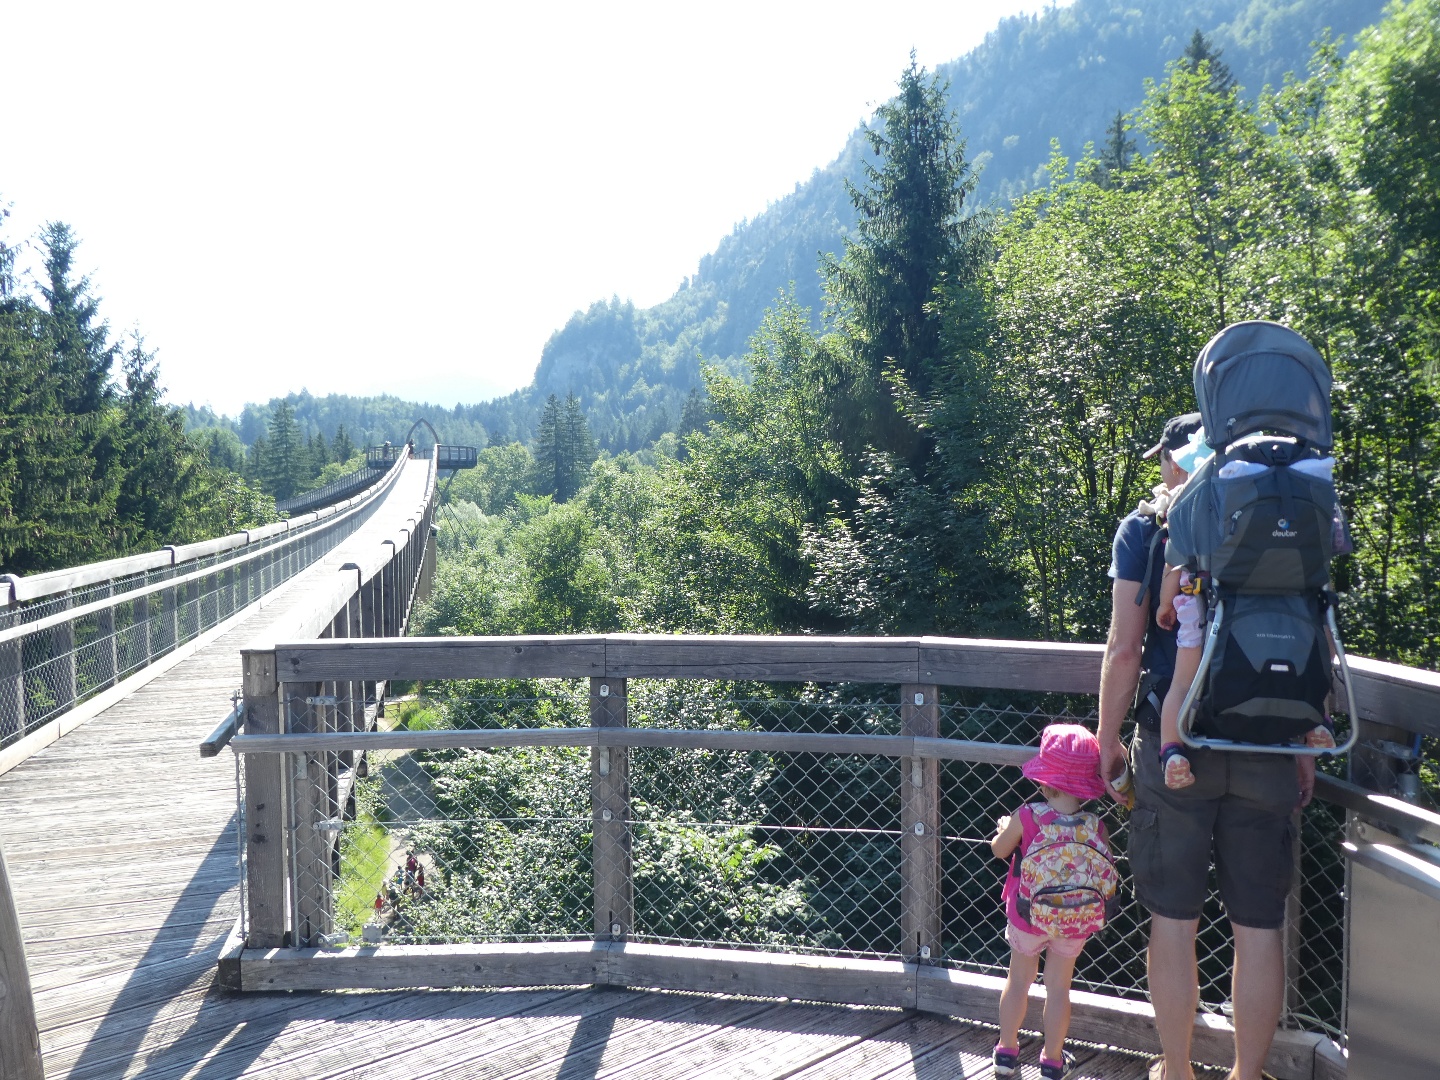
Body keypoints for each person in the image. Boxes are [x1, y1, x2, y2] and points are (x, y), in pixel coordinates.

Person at [1097, 416, 1316, 1080]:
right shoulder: (1285, 519)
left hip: (1175, 744)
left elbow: (1127, 646)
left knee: (1172, 919)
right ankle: (1247, 1075)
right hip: (1269, 743)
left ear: (1174, 460)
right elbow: (1312, 633)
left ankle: (1178, 1069)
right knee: (1258, 925)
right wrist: (1305, 741)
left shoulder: (1147, 529)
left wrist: (1105, 740)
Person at [990, 723, 1114, 1080]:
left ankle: (1007, 1052)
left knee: (1018, 981)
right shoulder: (1095, 825)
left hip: (1028, 916)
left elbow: (999, 851)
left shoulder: (1028, 816)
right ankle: (1052, 1061)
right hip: (1075, 920)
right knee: (1059, 988)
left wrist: (1004, 830)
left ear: (1044, 780)